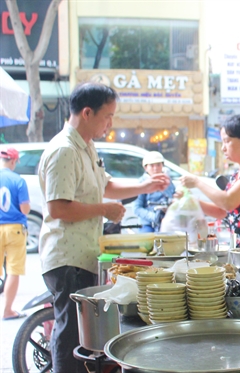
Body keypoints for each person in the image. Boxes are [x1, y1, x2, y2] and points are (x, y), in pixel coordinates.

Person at [38, 82, 170, 373]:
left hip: (84, 254)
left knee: (81, 333)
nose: (110, 123)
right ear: (87, 113)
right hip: (65, 258)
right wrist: (104, 209)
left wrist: (144, 185)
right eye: (107, 116)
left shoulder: (86, 146)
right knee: (70, 331)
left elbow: (107, 185)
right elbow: (58, 208)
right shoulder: (64, 150)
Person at [180, 114, 240, 248]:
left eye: (227, 141)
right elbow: (223, 211)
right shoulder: (237, 175)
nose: (223, 148)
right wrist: (191, 201)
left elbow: (228, 202)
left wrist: (197, 182)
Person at [0, 146, 30, 320]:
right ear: (13, 161)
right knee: (13, 270)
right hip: (15, 229)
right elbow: (25, 209)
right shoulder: (18, 180)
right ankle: (7, 310)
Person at [134, 151, 176, 232]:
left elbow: (173, 198)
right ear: (145, 167)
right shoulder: (141, 183)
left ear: (163, 165)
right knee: (147, 242)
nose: (155, 168)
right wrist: (154, 217)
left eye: (158, 165)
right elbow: (137, 208)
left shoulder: (168, 181)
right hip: (147, 224)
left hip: (167, 221)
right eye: (152, 165)